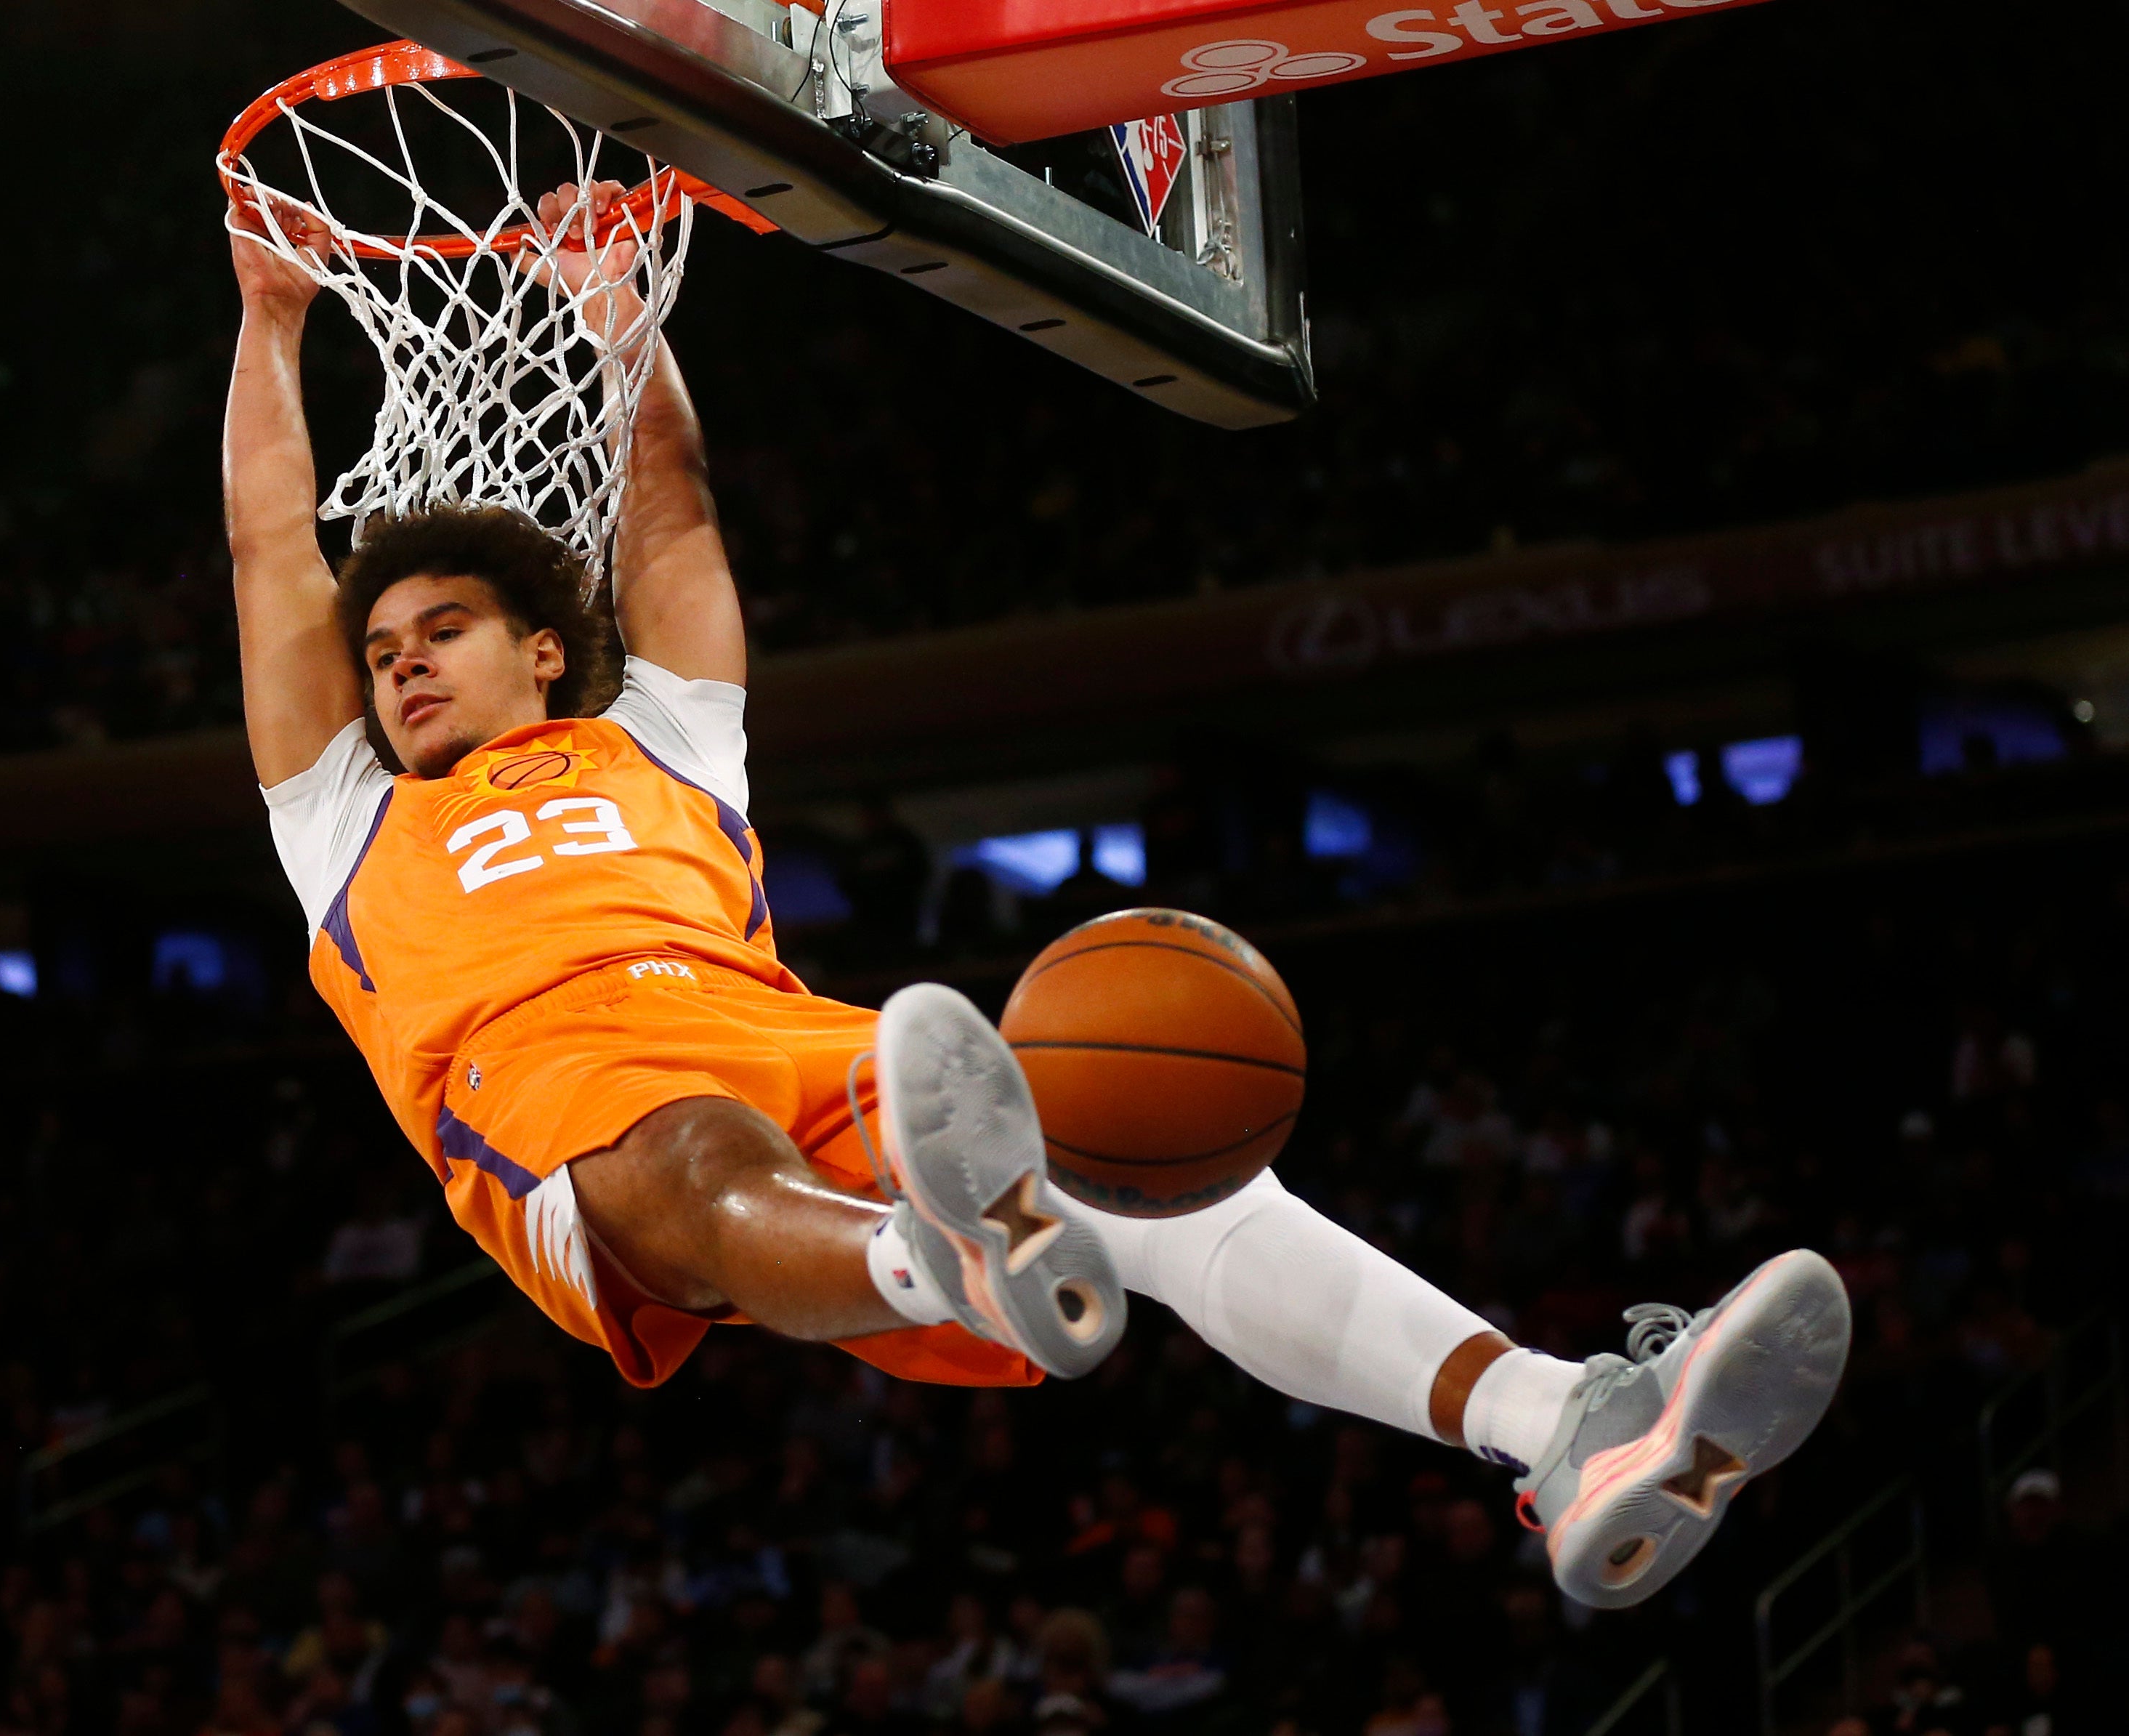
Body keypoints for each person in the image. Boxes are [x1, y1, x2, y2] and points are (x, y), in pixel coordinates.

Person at [220, 183, 1852, 1608]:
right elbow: (267, 560)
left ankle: (1562, 1423)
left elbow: (677, 518)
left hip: (791, 1037)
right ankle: (946, 1262)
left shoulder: (664, 735)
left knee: (1150, 1162)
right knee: (708, 1159)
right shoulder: (344, 815)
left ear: (544, 647)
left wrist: (615, 310)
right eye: (379, 654)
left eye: (437, 629)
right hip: (558, 1082)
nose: (398, 662)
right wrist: (267, 313)